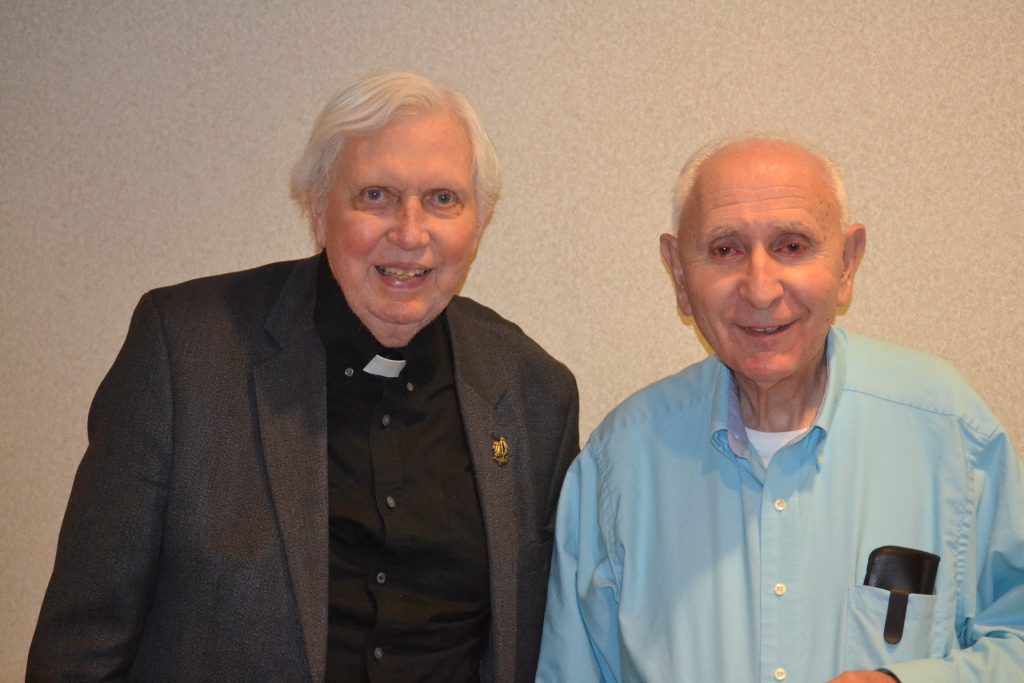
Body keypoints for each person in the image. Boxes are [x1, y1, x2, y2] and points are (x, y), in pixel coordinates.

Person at [28, 71, 579, 683]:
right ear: (318, 208)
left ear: (480, 221)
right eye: (375, 195)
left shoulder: (534, 394)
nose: (410, 232)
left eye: (443, 199)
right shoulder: (183, 352)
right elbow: (82, 642)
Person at [536, 137, 1024, 682]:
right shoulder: (618, 465)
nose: (761, 290)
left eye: (792, 246)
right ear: (678, 273)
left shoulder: (952, 434)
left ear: (846, 264)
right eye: (725, 250)